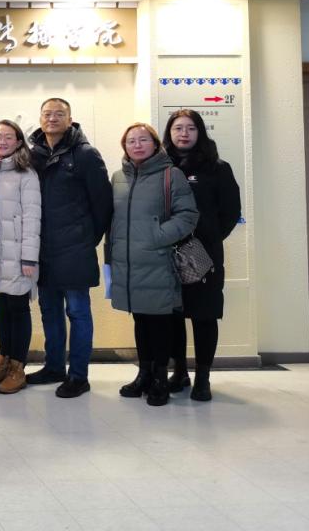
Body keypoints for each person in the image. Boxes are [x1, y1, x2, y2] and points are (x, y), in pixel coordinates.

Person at [27, 98, 113, 398]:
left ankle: (78, 375)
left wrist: (86, 238)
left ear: (70, 118)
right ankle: (54, 367)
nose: (52, 118)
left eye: (59, 114)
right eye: (47, 113)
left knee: (77, 312)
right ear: (40, 118)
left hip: (75, 248)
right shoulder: (33, 154)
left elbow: (103, 204)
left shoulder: (86, 154)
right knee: (49, 311)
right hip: (43, 249)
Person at [108, 123, 198, 406]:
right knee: (140, 320)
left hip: (158, 260)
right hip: (128, 263)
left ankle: (160, 377)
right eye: (131, 141)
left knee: (159, 322)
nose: (137, 145)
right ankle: (144, 374)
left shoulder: (172, 175)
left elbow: (188, 215)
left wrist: (156, 237)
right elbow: (112, 220)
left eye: (143, 140)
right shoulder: (118, 177)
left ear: (156, 143)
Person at [163, 109, 241, 401]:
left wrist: (206, 240)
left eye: (191, 128)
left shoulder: (217, 168)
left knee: (204, 315)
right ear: (169, 133)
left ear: (200, 132)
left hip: (202, 253)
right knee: (172, 315)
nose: (184, 134)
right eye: (178, 128)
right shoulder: (160, 167)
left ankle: (203, 378)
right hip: (165, 253)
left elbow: (231, 212)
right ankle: (179, 372)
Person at [0, 119, 41, 395]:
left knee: (18, 309)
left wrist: (29, 258)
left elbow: (33, 218)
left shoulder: (26, 174)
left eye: (8, 137)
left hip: (17, 255)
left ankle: (18, 368)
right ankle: (3, 363)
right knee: (1, 309)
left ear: (18, 142)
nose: (2, 141)